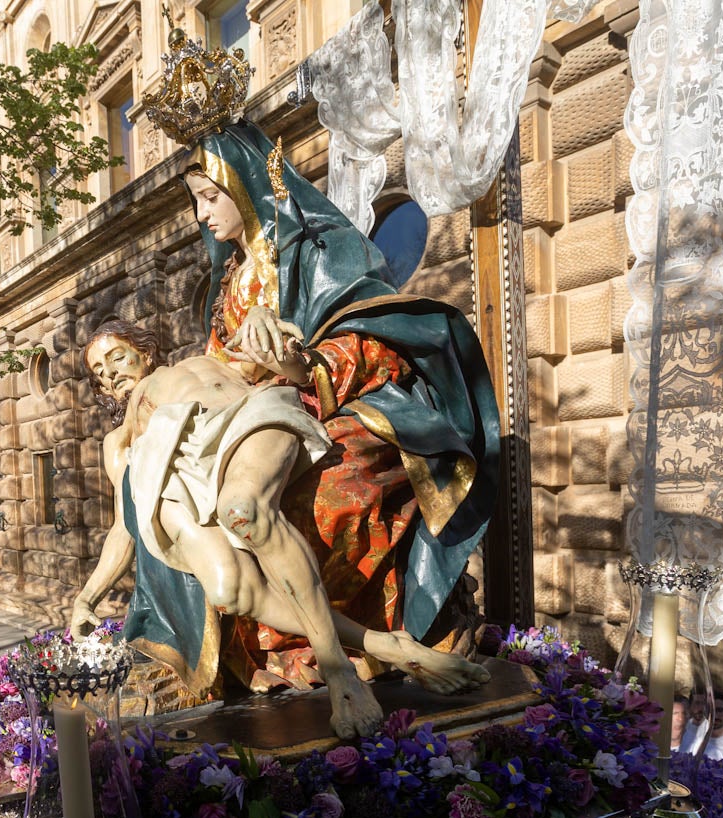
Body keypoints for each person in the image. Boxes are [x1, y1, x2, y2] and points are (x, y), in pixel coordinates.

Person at [122, 83, 499, 705]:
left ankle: (351, 651)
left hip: (338, 403)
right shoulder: (228, 286)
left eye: (212, 197)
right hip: (244, 421)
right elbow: (225, 370)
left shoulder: (322, 250)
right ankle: (236, 653)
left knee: (311, 496)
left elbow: (381, 337)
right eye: (196, 200)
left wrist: (302, 362)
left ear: (248, 187)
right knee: (162, 491)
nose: (202, 216)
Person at [73, 319, 486, 737]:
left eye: (116, 356)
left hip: (246, 418)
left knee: (245, 509)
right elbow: (127, 523)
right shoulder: (120, 441)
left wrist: (272, 332)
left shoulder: (209, 361)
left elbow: (284, 365)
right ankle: (387, 645)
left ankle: (340, 673)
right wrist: (87, 597)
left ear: (144, 353)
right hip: (177, 460)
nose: (110, 372)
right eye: (100, 372)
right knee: (227, 589)